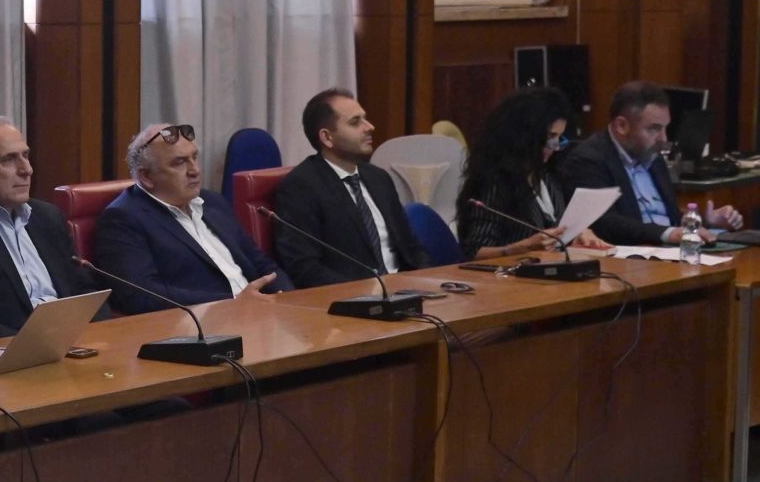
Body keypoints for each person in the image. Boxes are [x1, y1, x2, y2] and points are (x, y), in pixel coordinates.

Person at [0, 117, 110, 334]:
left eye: (26, 156)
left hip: (72, 338)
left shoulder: (47, 216)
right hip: (12, 345)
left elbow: (83, 289)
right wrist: (36, 343)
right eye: (9, 160)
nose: (27, 170)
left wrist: (103, 331)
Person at [94, 123, 291, 314]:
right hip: (201, 325)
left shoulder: (213, 202)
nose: (194, 170)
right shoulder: (124, 219)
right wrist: (233, 302)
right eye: (179, 162)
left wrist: (287, 298)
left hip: (259, 312)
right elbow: (141, 295)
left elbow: (262, 264)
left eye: (194, 157)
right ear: (146, 177)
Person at [556, 80, 743, 245]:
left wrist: (704, 221)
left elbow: (668, 216)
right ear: (622, 125)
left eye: (665, 128)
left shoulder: (652, 156)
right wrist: (668, 234)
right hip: (630, 259)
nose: (663, 138)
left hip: (670, 252)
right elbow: (603, 222)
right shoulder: (588, 160)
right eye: (654, 129)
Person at [273, 89, 429, 286]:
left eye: (365, 119)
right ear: (327, 137)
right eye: (355, 122)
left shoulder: (378, 178)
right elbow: (304, 267)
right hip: (353, 295)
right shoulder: (301, 187)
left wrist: (427, 282)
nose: (370, 127)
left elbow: (412, 247)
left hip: (406, 288)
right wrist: (368, 292)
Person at [457, 87, 609, 259]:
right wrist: (520, 248)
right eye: (550, 136)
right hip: (507, 272)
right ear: (526, 135)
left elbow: (554, 230)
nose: (555, 146)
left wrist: (578, 233)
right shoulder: (494, 180)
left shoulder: (547, 174)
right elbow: (474, 252)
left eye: (559, 137)